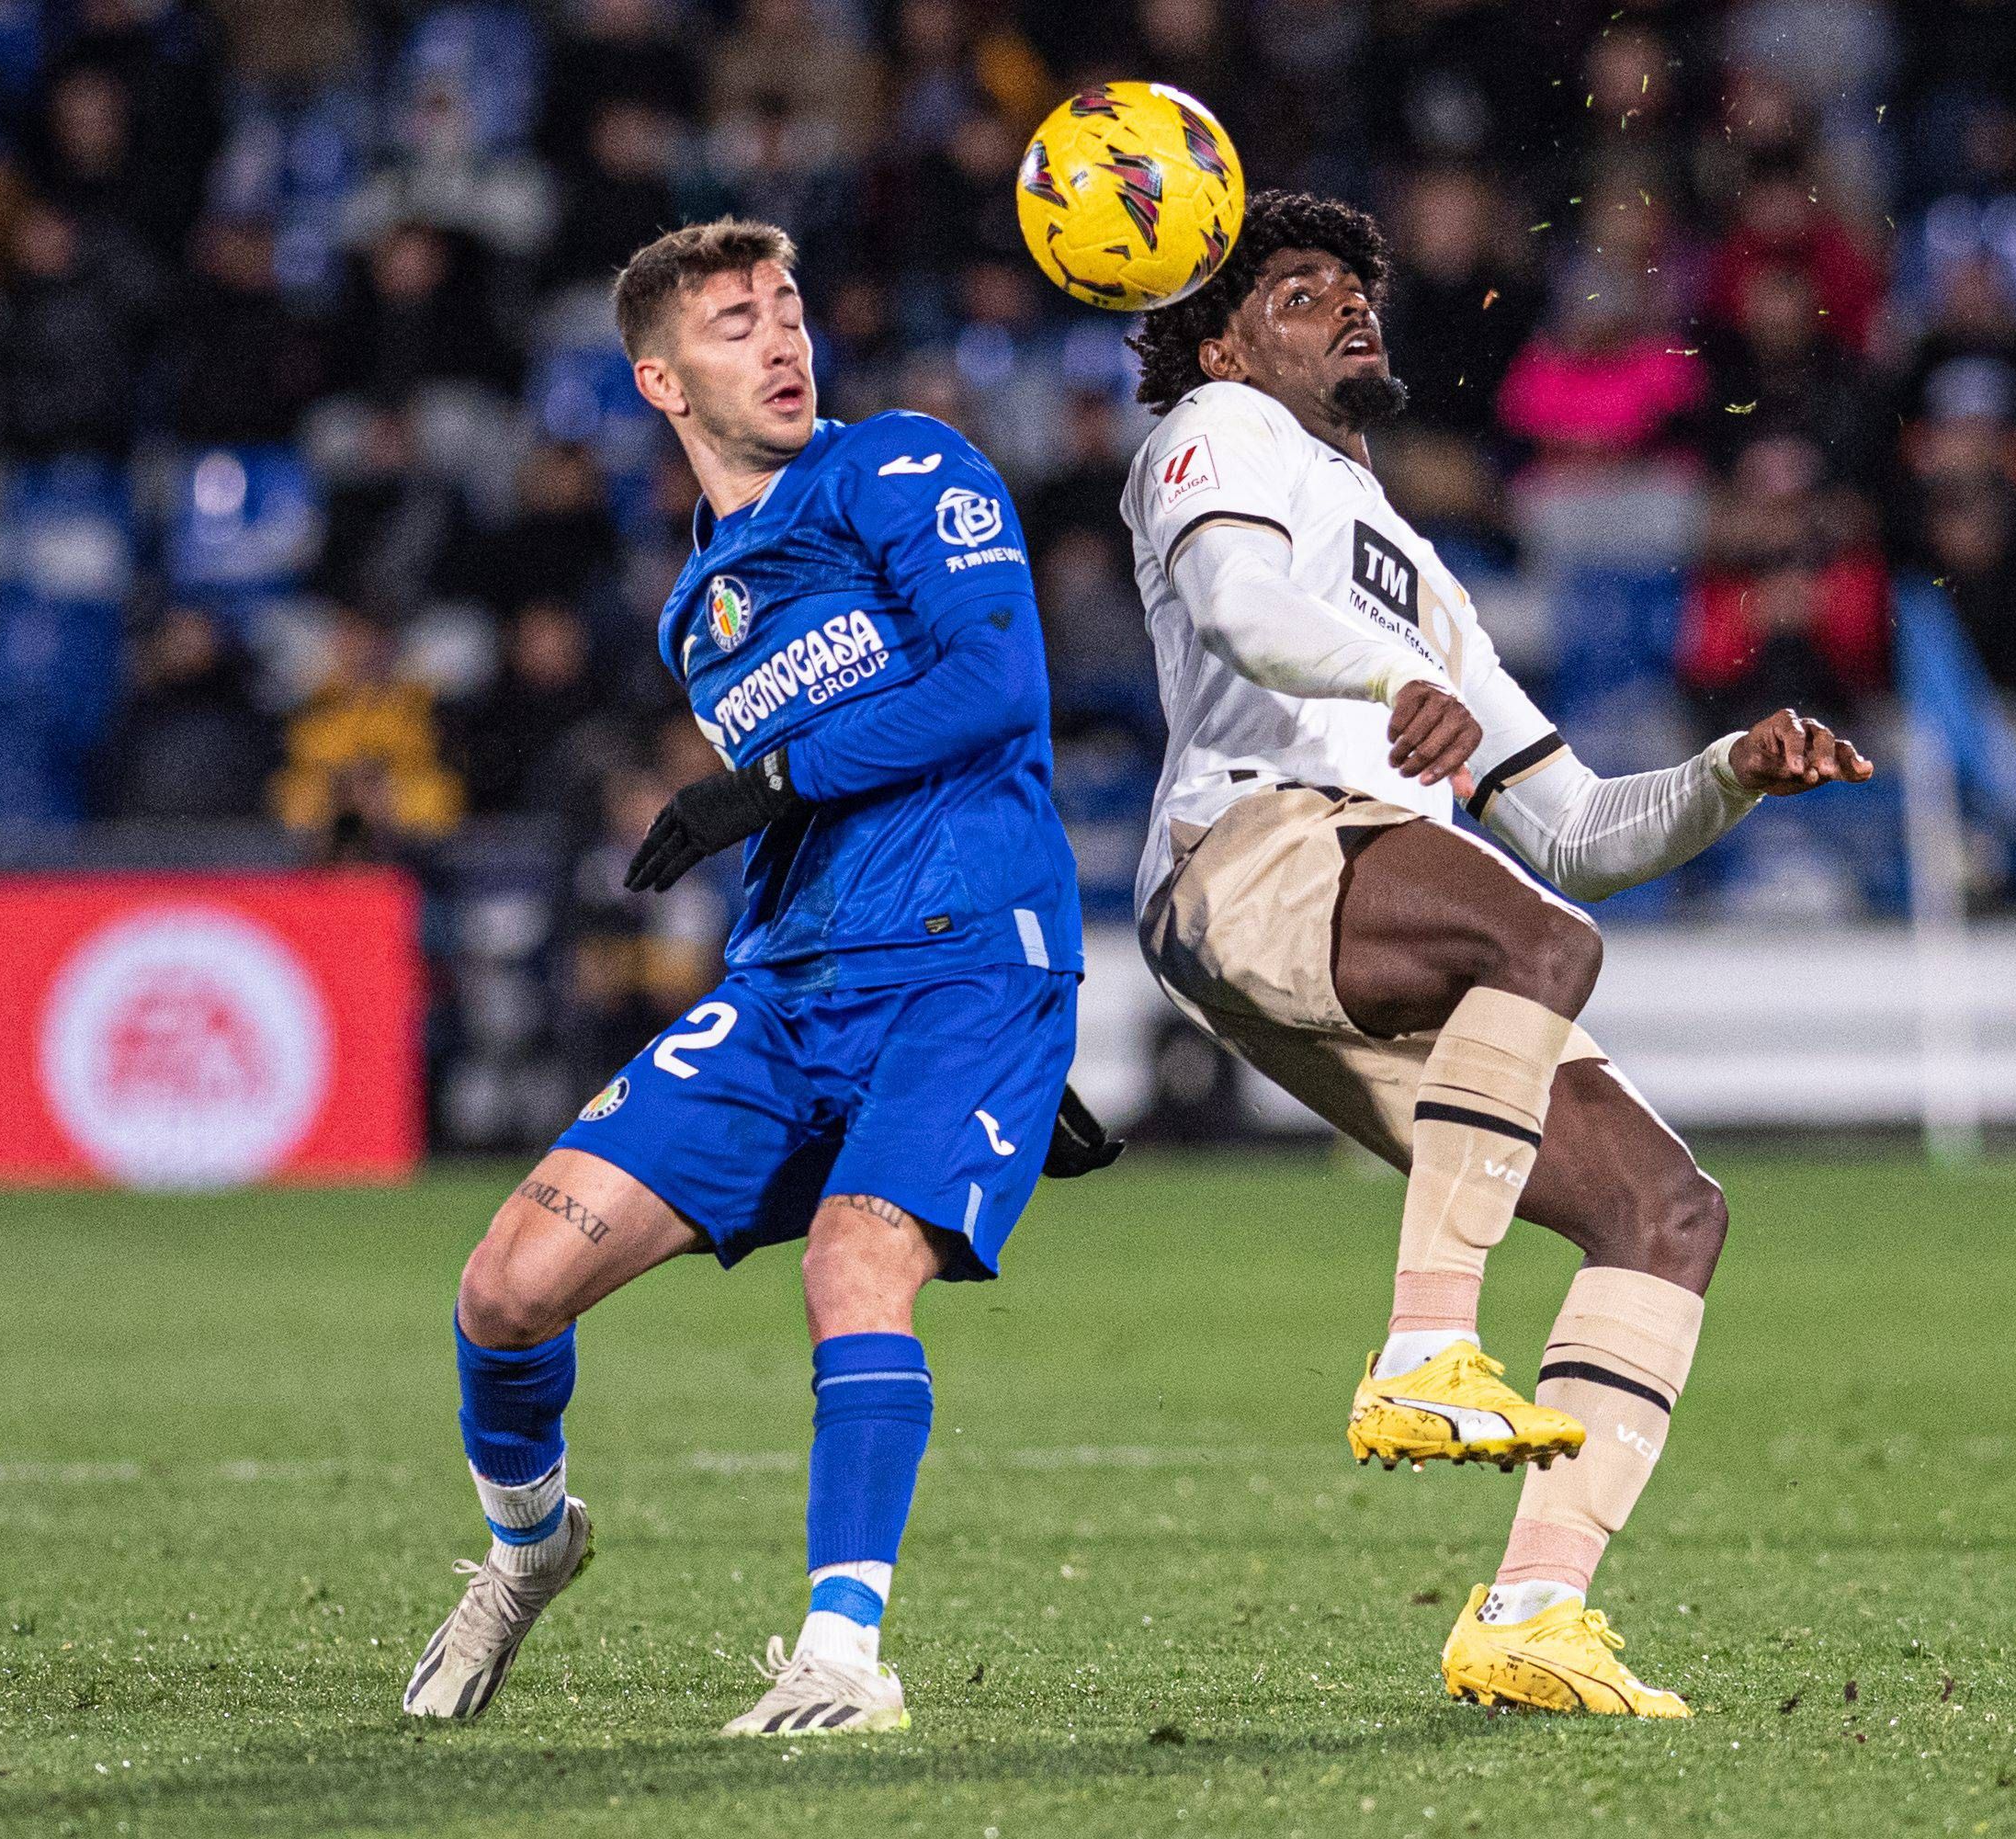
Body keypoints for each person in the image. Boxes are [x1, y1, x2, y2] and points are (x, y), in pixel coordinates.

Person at [1119, 191, 1871, 1719]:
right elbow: (1244, 608)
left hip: (1370, 908)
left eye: (1359, 286)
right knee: (1530, 937)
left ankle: (1531, 1609)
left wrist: (1728, 769)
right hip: (1252, 851)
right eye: (1303, 290)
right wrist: (1385, 676)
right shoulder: (1215, 429)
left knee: (1668, 1210)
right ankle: (1424, 1346)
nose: (1348, 307)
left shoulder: (1425, 571)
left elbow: (1582, 824)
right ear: (1221, 335)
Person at [404, 218, 1116, 1735]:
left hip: (961, 962)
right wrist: (778, 797)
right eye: (736, 324)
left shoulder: (903, 467)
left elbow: (994, 681)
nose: (783, 341)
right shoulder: (694, 607)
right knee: (506, 1287)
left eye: (789, 309)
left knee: (854, 1259)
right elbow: (818, 792)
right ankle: (528, 1550)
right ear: (661, 380)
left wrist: (770, 776)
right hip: (792, 987)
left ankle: (844, 1660)